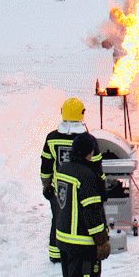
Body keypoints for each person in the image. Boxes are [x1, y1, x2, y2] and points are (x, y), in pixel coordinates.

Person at [52, 132, 110, 277]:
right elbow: (92, 211)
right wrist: (101, 240)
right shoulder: (86, 176)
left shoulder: (64, 168)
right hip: (81, 241)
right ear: (91, 152)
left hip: (64, 238)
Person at [41, 97, 99, 263]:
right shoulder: (89, 140)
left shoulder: (51, 138)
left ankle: (55, 254)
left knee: (58, 220)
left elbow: (46, 165)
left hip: (59, 190)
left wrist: (46, 186)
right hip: (82, 190)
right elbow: (96, 167)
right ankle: (78, 252)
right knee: (80, 222)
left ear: (62, 113)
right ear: (82, 114)